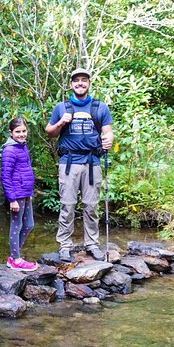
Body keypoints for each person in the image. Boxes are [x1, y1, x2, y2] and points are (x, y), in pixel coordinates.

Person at [45, 68, 114, 262]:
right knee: (67, 206)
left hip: (92, 162)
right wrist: (60, 123)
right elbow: (49, 131)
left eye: (84, 80)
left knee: (91, 206)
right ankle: (65, 246)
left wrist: (107, 140)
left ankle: (92, 244)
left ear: (89, 83)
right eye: (76, 81)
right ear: (71, 84)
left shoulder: (100, 107)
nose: (80, 83)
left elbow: (108, 132)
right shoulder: (62, 107)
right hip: (69, 162)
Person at [0, 118, 39, 272]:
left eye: (23, 131)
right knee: (16, 225)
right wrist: (12, 199)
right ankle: (15, 259)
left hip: (25, 192)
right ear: (11, 133)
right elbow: (5, 176)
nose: (21, 134)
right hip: (16, 194)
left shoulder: (22, 146)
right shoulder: (9, 150)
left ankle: (14, 255)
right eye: (18, 131)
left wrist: (29, 191)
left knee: (29, 224)